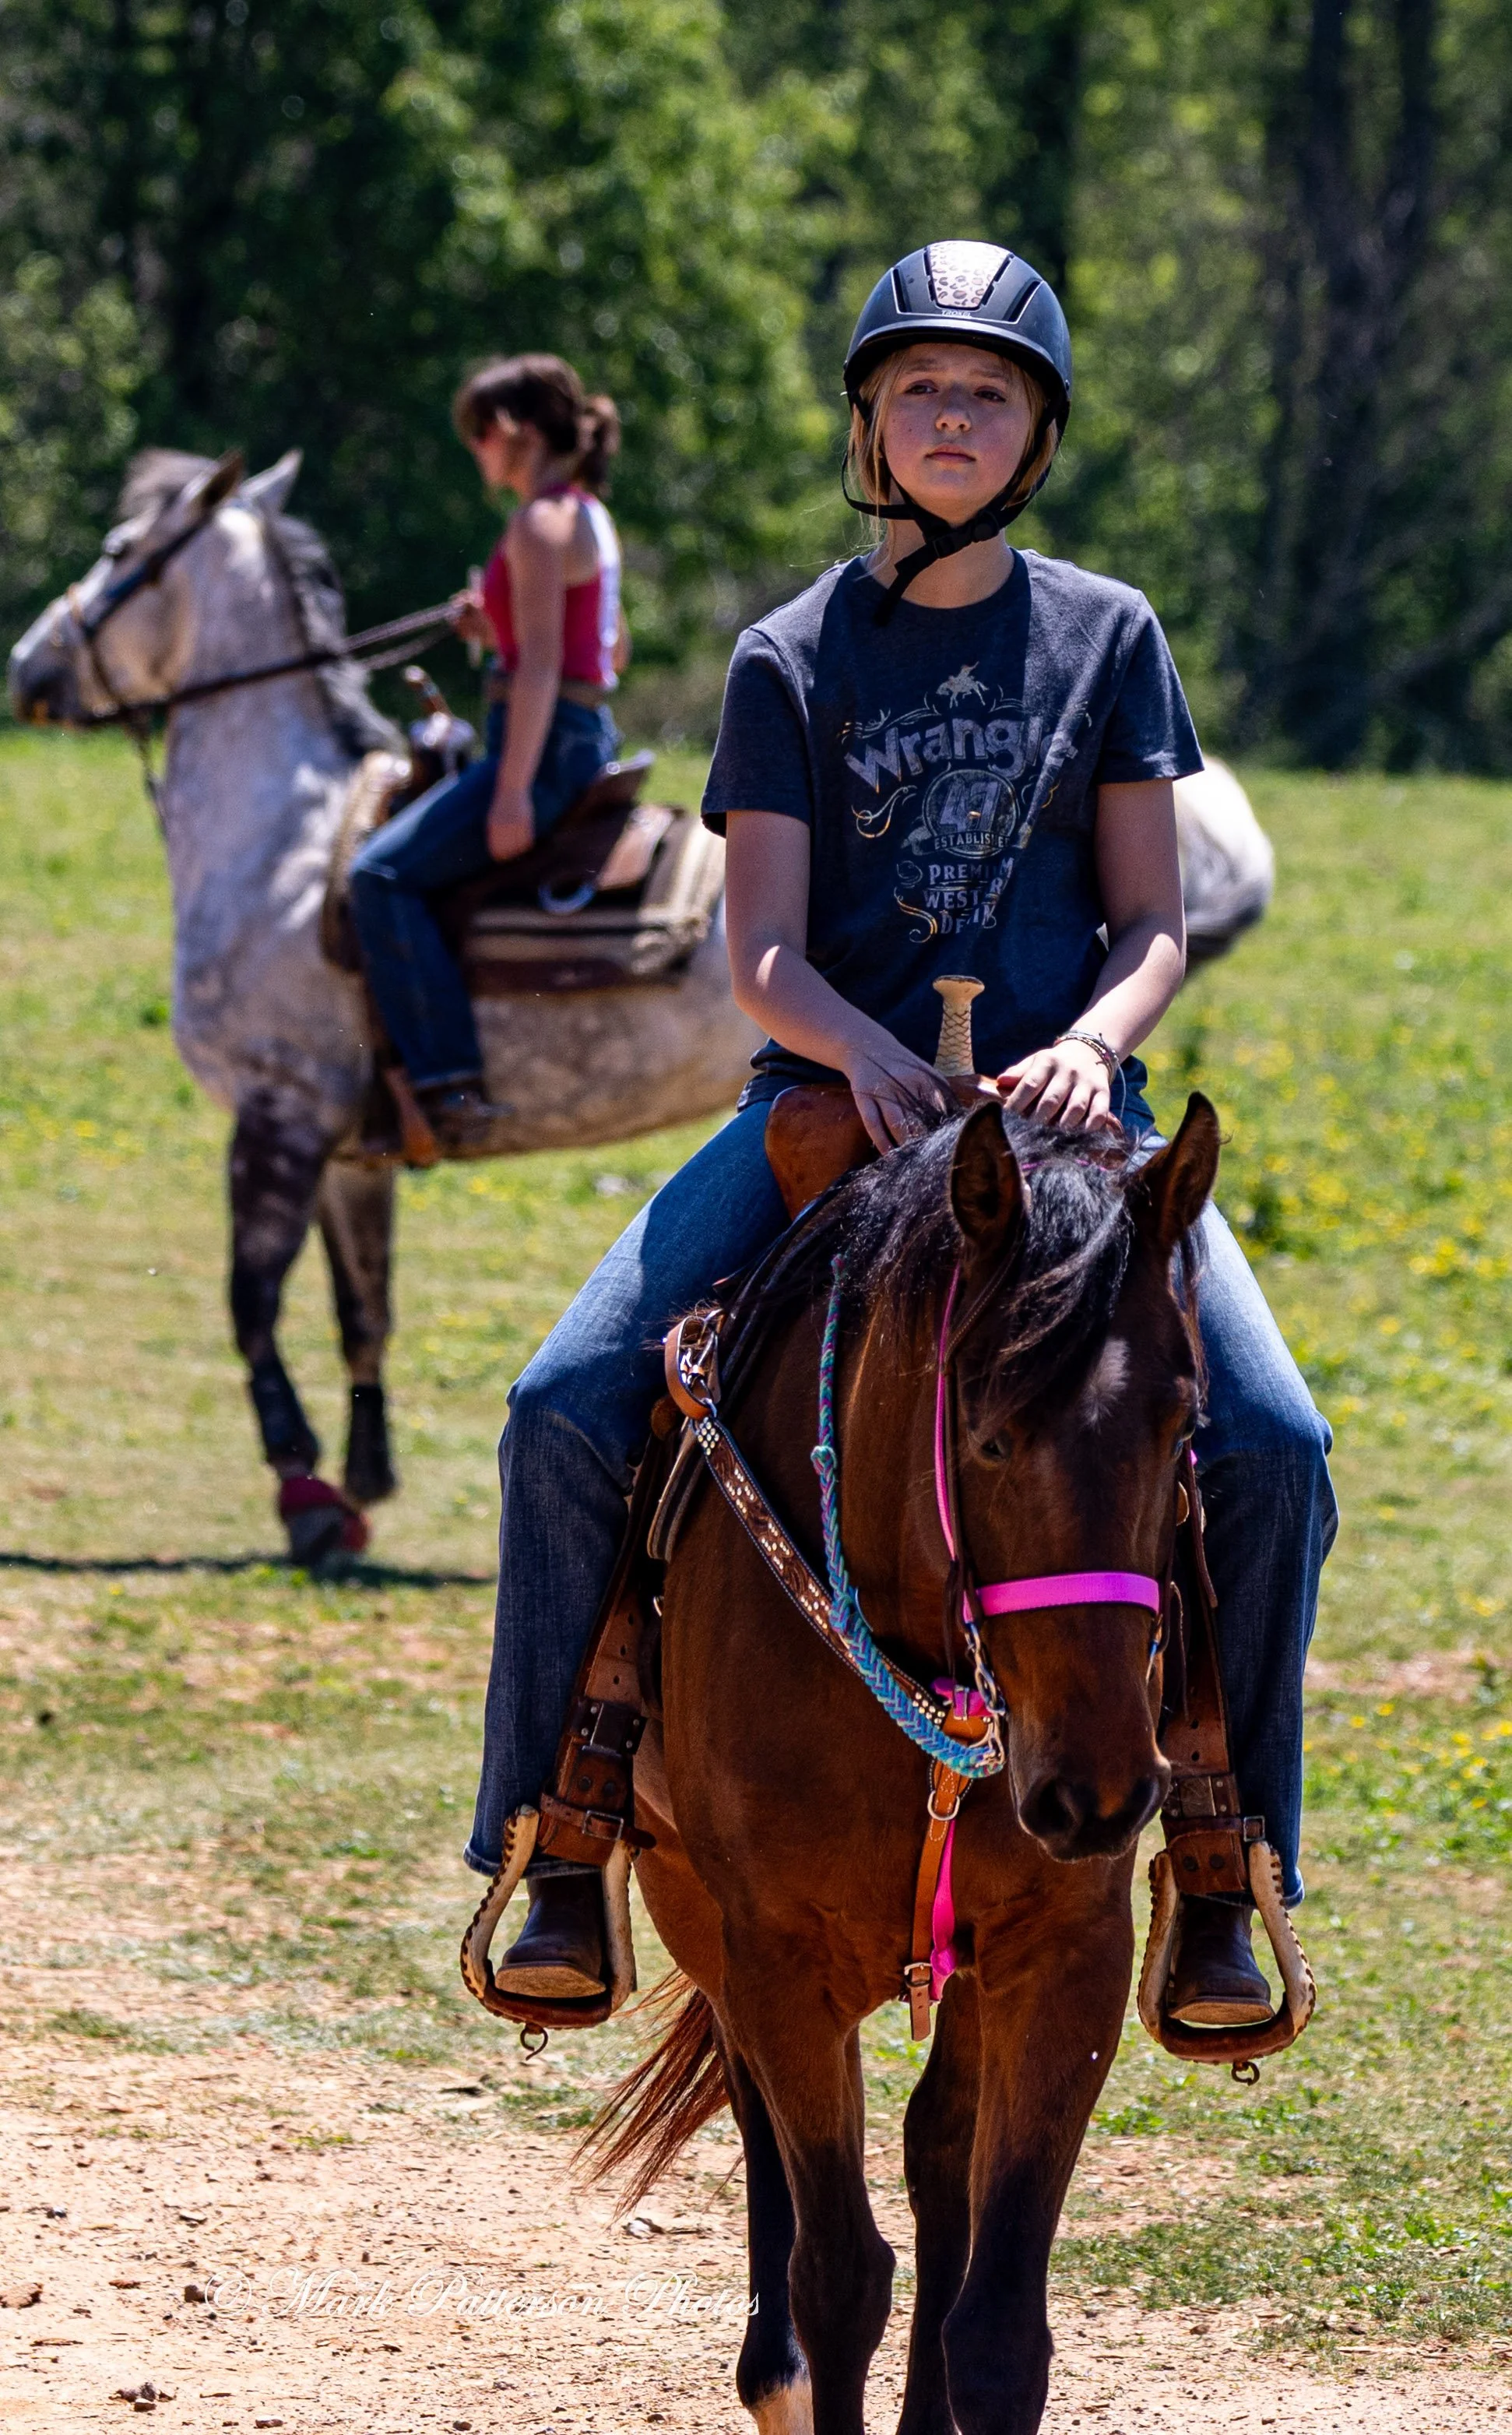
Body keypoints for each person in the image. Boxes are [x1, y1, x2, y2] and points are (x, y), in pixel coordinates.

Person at [466, 241, 1337, 2022]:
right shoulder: (789, 653)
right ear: (869, 421)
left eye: (990, 391)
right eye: (922, 387)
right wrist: (857, 1050)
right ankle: (557, 1832)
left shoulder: (1110, 636)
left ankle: (1217, 1858)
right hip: (826, 1118)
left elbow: (1149, 920)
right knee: (565, 1402)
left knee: (1269, 1441)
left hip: (1074, 1145)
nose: (954, 414)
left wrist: (1091, 1049)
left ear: (1033, 434)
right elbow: (759, 946)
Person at [350, 354, 629, 1157]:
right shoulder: (587, 514)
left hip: (540, 750)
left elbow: (542, 665)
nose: (475, 451)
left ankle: (446, 1085)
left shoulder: (538, 522)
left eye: (477, 434)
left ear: (510, 431)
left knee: (380, 876)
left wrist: (511, 793)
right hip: (584, 735)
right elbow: (606, 644)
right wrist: (489, 627)